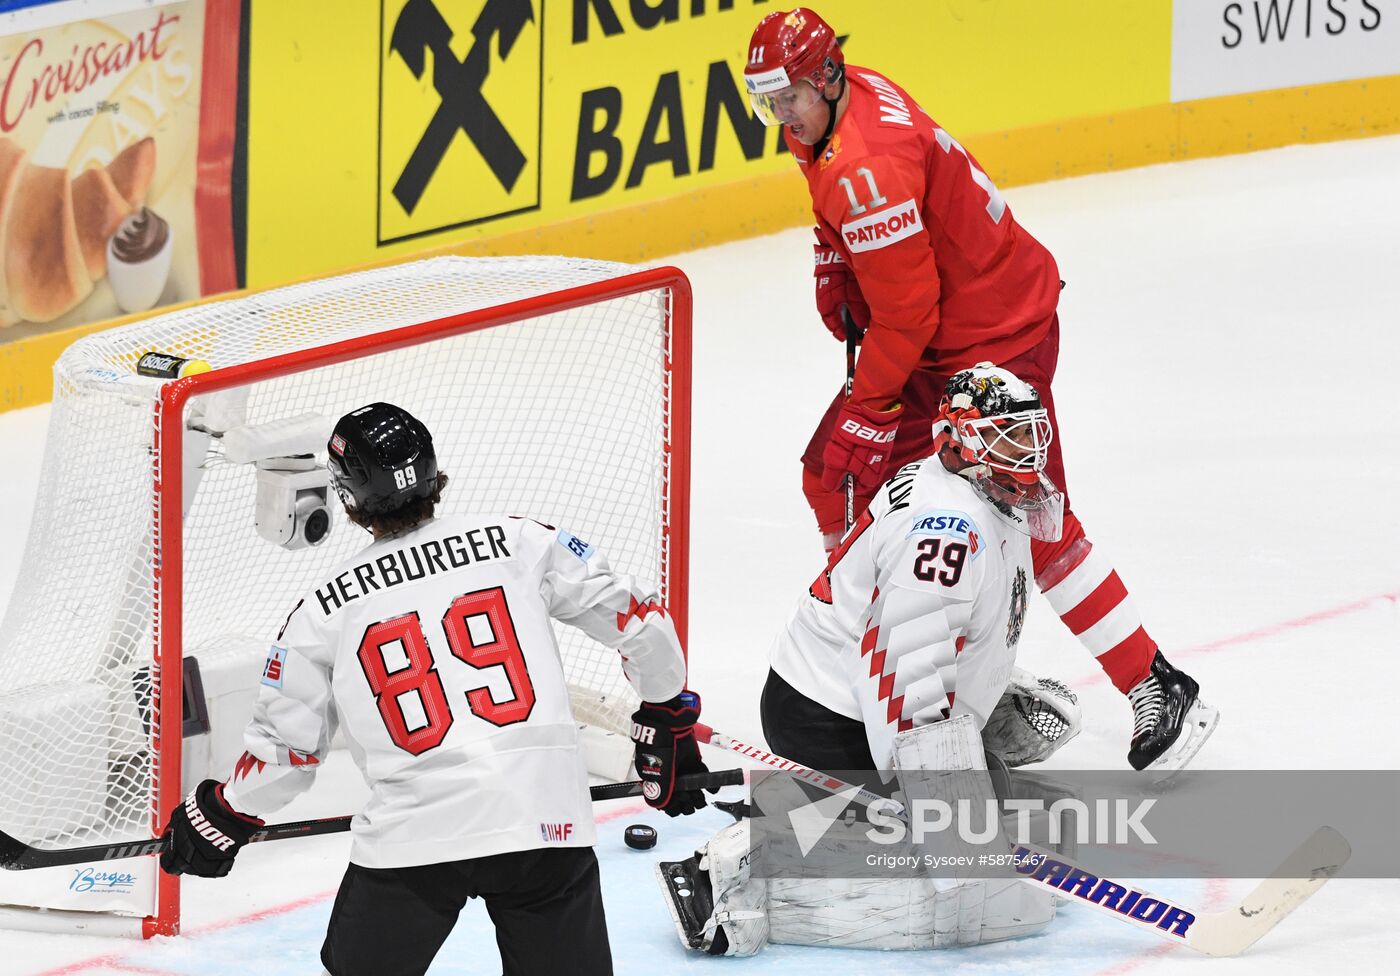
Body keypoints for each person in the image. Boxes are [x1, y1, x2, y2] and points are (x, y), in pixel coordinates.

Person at [742, 8, 1217, 771]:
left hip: (995, 335)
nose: (780, 115)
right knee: (831, 477)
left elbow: (904, 312)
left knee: (1034, 513)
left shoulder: (867, 166)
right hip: (939, 336)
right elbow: (886, 260)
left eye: (788, 96)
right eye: (769, 99)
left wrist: (868, 412)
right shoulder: (843, 99)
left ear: (827, 77)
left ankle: (1154, 680)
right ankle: (899, 667)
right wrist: (835, 255)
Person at [160, 402, 710, 976]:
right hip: (542, 818)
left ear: (347, 497)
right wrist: (665, 712)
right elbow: (640, 619)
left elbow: (287, 757)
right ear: (432, 472)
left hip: (411, 837)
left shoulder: (321, 607)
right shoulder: (521, 540)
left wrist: (222, 813)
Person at [658, 365, 1084, 957]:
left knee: (1022, 830)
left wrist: (989, 689)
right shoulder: (947, 532)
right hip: (834, 715)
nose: (1029, 453)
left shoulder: (973, 489)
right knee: (974, 901)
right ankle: (737, 868)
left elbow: (937, 629)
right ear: (957, 437)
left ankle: (811, 814)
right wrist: (939, 804)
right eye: (1008, 436)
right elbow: (902, 668)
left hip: (849, 696)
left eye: (1032, 434)